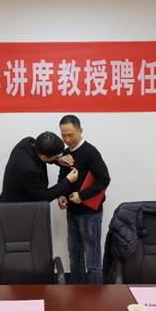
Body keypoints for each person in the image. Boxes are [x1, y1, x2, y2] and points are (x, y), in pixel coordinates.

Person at [57, 115, 110, 284]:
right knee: (75, 255)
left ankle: (94, 296)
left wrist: (82, 196)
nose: (67, 139)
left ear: (80, 131)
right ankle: (77, 293)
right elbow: (62, 177)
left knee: (92, 260)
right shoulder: (66, 153)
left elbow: (104, 179)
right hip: (72, 211)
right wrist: (61, 195)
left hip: (90, 214)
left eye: (70, 135)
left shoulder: (90, 152)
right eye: (63, 135)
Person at [0, 132, 78, 203]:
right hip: (16, 207)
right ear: (43, 157)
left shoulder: (28, 142)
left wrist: (57, 160)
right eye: (56, 156)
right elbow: (44, 197)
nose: (59, 157)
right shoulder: (29, 170)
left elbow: (41, 157)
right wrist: (68, 180)